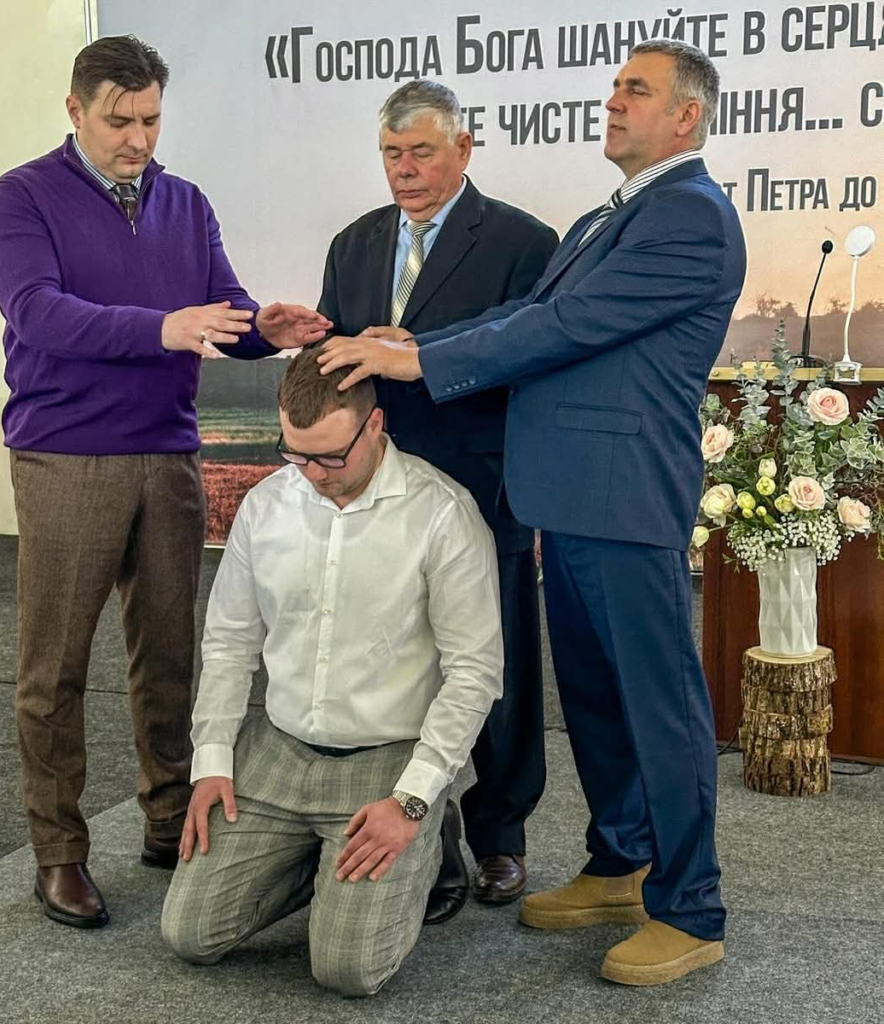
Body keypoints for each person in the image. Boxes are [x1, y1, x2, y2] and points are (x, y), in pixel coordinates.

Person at [318, 39, 746, 985]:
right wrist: (415, 340)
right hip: (574, 496)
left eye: (635, 90)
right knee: (595, 701)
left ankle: (691, 904)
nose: (613, 101)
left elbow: (558, 330)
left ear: (686, 116)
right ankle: (623, 860)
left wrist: (417, 359)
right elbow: (526, 327)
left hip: (628, 497)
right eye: (613, 88)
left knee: (659, 707)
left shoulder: (689, 218)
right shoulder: (611, 216)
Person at [0, 35, 329, 929]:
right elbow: (39, 313)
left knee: (169, 659)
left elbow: (222, 310)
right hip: (67, 458)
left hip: (170, 456)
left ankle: (168, 822)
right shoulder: (20, 199)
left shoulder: (186, 201)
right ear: (75, 111)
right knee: (53, 671)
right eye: (119, 120)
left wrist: (265, 326)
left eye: (151, 119)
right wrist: (162, 327)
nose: (138, 137)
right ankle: (58, 852)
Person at [160, 345, 503, 996]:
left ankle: (432, 831)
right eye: (296, 454)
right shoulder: (267, 507)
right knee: (189, 933)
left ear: (374, 427)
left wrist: (411, 799)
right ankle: (321, 863)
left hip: (388, 759)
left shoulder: (442, 514)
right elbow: (231, 640)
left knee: (347, 970)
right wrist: (211, 762)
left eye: (330, 456)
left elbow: (474, 671)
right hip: (280, 752)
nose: (312, 473)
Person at [318, 80, 558, 923]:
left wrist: (414, 351)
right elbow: (335, 355)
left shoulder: (525, 243)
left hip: (478, 484)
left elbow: (527, 354)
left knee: (492, 666)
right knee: (392, 661)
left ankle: (502, 835)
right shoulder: (354, 244)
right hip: (376, 487)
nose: (405, 169)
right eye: (392, 154)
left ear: (464, 149)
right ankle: (430, 831)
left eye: (422, 152)